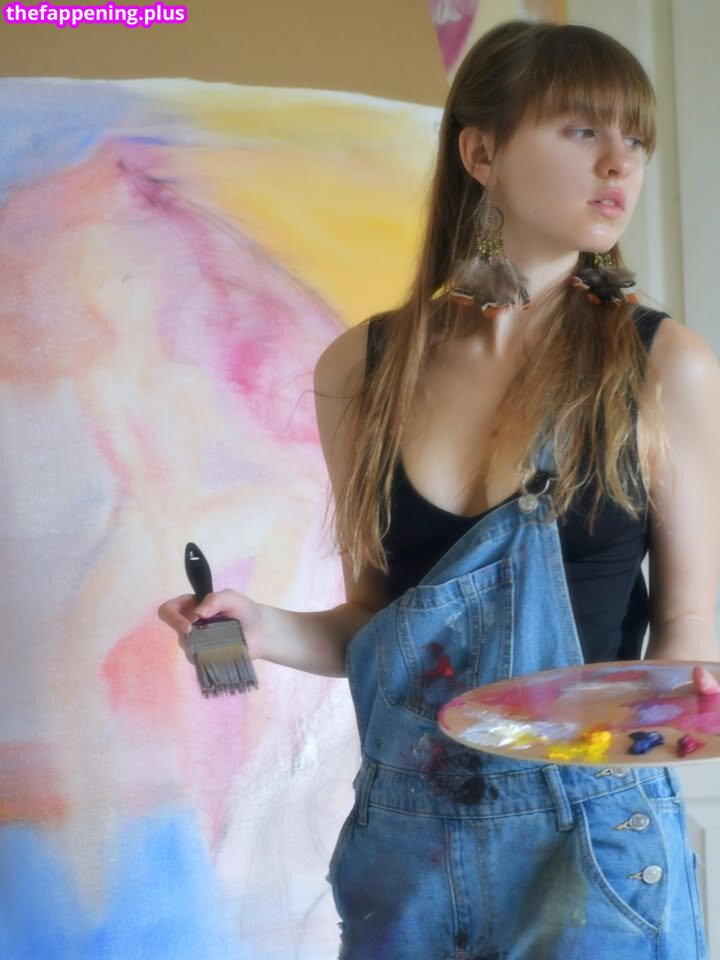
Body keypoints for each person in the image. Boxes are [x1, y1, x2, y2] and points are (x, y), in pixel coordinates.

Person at [159, 20, 720, 960]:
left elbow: (688, 628)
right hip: (405, 854)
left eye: (636, 138)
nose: (620, 162)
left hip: (591, 848)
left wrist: (666, 722)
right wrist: (260, 628)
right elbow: (379, 623)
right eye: (583, 130)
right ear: (481, 153)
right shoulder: (361, 370)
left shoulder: (662, 365)